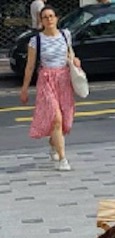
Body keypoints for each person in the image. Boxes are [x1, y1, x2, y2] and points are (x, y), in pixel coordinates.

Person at [19, 5, 78, 172]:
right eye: (45, 17)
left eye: (51, 16)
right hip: (46, 80)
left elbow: (70, 53)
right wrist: (24, 89)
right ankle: (63, 158)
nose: (49, 19)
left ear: (57, 18)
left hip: (64, 79)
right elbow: (29, 67)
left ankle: (53, 143)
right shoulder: (36, 40)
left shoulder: (66, 35)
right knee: (56, 118)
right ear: (41, 21)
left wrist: (74, 60)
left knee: (65, 120)